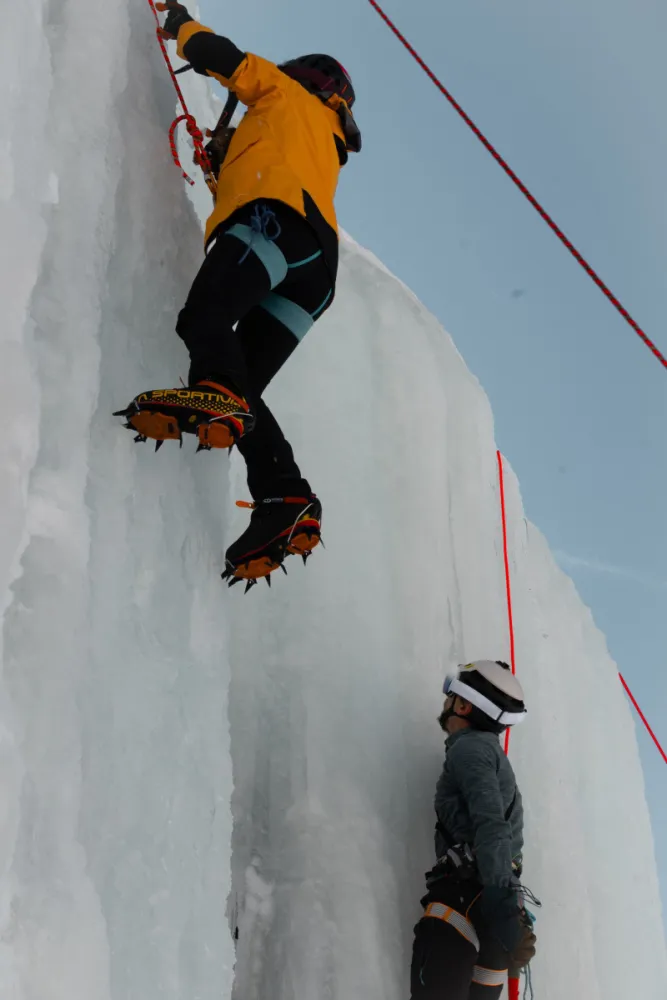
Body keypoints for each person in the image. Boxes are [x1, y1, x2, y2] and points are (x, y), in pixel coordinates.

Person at [115, 2, 361, 588]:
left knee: (205, 322)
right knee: (242, 384)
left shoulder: (281, 90)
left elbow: (219, 57)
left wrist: (180, 24)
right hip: (316, 273)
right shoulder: (325, 139)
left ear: (302, 75)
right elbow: (271, 155)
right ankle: (285, 497)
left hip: (273, 224)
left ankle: (217, 395)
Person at [410, 661, 537, 999]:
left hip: (465, 900)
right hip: (491, 917)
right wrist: (505, 907)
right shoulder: (489, 753)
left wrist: (500, 902)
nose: (445, 700)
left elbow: (490, 823)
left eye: (450, 692)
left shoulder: (470, 749)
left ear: (464, 705)